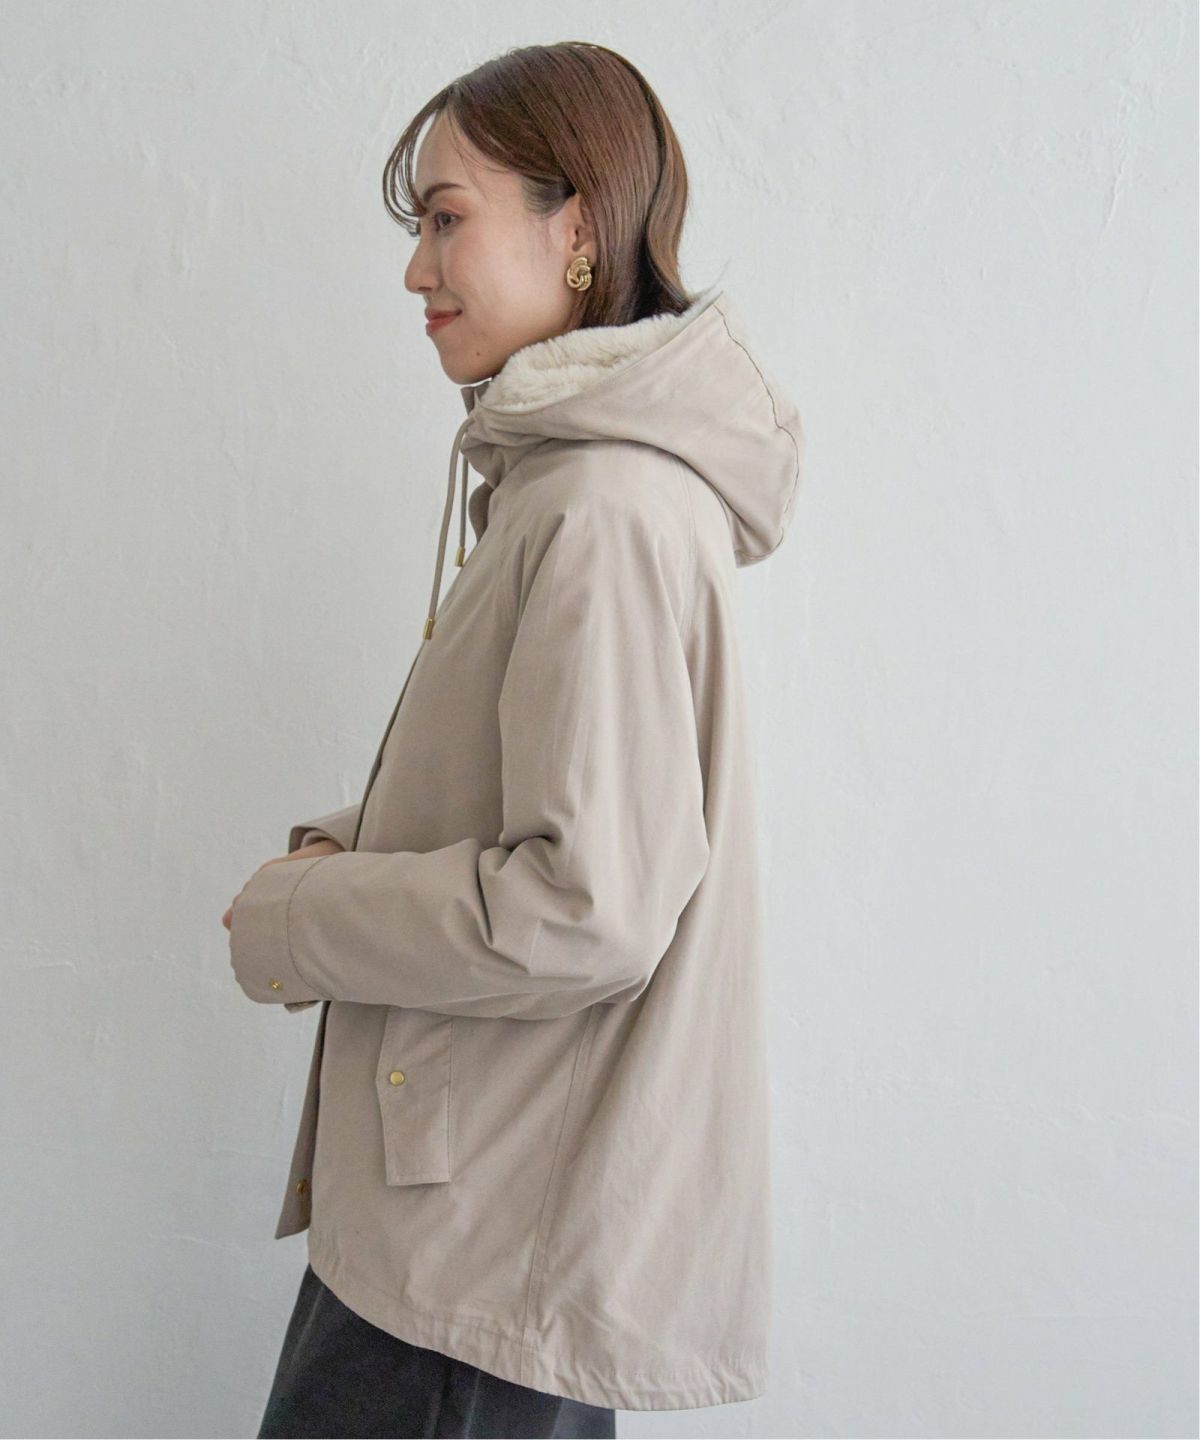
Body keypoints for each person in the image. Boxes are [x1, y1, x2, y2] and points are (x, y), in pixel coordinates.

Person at [226, 39, 805, 1440]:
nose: (415, 271)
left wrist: (303, 919)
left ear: (578, 230)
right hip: (470, 1232)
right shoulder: (573, 493)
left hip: (475, 1262)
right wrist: (348, 854)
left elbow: (587, 909)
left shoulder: (602, 510)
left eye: (446, 219)